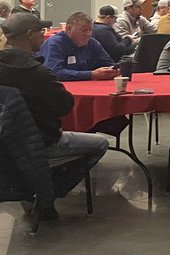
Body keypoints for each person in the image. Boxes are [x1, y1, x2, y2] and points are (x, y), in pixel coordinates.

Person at [0, 14, 108, 172]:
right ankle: (52, 185)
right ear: (30, 34)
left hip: (5, 143)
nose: (43, 34)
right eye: (40, 30)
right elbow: (65, 106)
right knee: (100, 143)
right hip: (39, 143)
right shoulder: (37, 72)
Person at [40, 13, 119, 82]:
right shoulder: (55, 44)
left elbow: (109, 63)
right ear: (68, 28)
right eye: (84, 30)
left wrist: (113, 71)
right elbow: (54, 72)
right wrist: (91, 74)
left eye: (90, 30)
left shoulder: (92, 42)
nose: (88, 34)